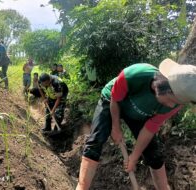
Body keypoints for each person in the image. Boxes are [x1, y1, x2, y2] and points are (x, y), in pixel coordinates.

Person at [76, 58, 196, 190]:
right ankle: (82, 187)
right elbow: (115, 99)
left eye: (178, 103)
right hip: (112, 101)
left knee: (154, 153)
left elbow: (149, 130)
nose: (172, 106)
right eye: (172, 100)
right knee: (96, 140)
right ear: (166, 88)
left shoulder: (175, 104)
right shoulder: (136, 74)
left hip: (138, 115)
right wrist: (115, 127)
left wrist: (134, 157)